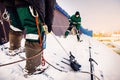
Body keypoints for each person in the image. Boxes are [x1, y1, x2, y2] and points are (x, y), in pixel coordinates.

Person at [0, 0, 56, 75]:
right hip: (31, 3)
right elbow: (50, 2)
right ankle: (32, 68)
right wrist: (49, 22)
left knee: (16, 25)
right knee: (34, 31)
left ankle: (14, 48)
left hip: (11, 3)